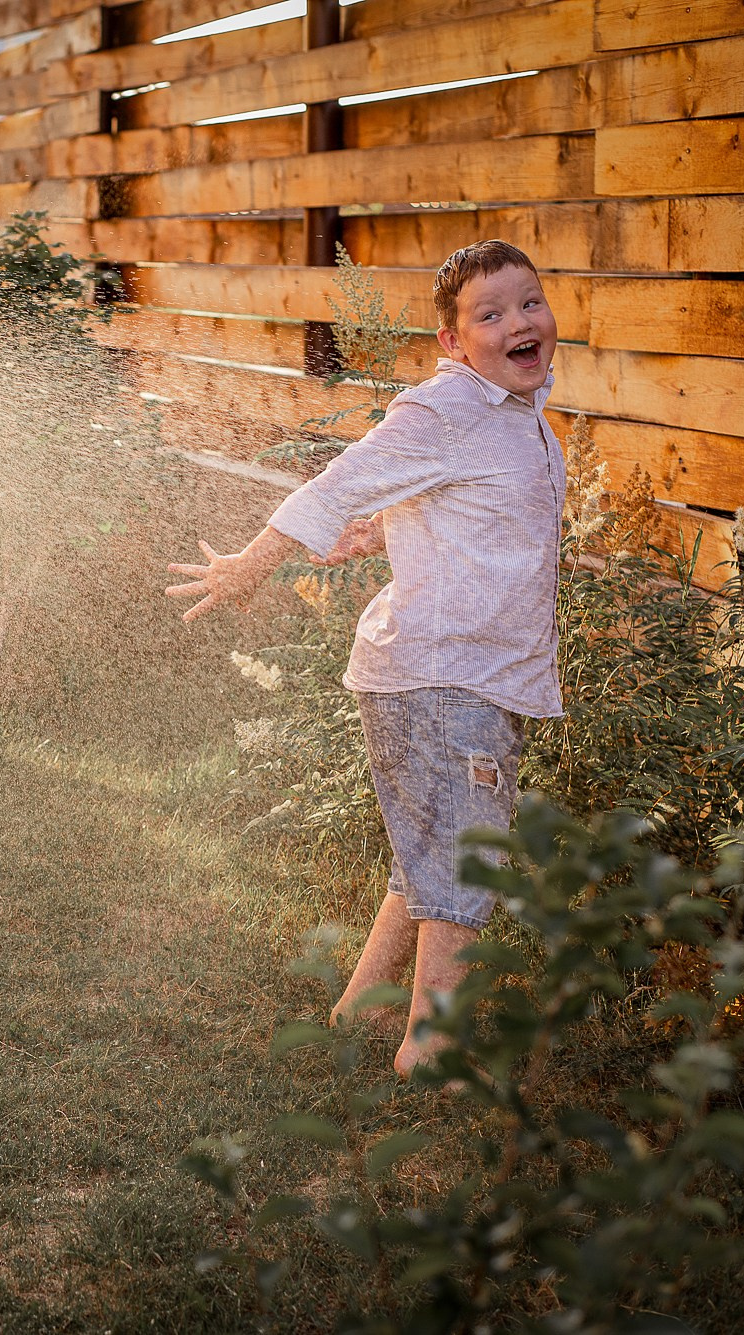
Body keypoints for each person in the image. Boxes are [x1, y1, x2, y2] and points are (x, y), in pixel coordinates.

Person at [167, 239, 566, 1077]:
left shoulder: (516, 412)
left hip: (476, 675)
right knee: (465, 856)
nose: (518, 323)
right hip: (438, 676)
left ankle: (361, 1008)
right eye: (490, 314)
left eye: (528, 302)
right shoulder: (447, 407)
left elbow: (468, 508)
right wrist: (248, 566)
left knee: (433, 848)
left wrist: (384, 530)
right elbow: (336, 483)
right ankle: (432, 1047)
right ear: (453, 343)